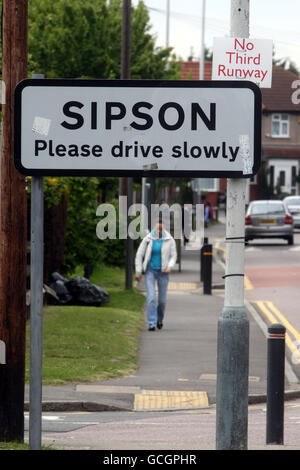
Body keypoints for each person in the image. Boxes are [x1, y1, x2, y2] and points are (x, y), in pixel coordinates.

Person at [135, 220, 177, 331]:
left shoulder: (169, 239)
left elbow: (173, 256)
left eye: (161, 229)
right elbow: (139, 255)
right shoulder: (148, 239)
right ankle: (152, 322)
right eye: (157, 229)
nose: (158, 231)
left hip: (164, 273)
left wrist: (170, 266)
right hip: (150, 271)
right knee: (151, 298)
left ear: (164, 229)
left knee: (162, 301)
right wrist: (138, 271)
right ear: (153, 228)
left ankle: (159, 319)